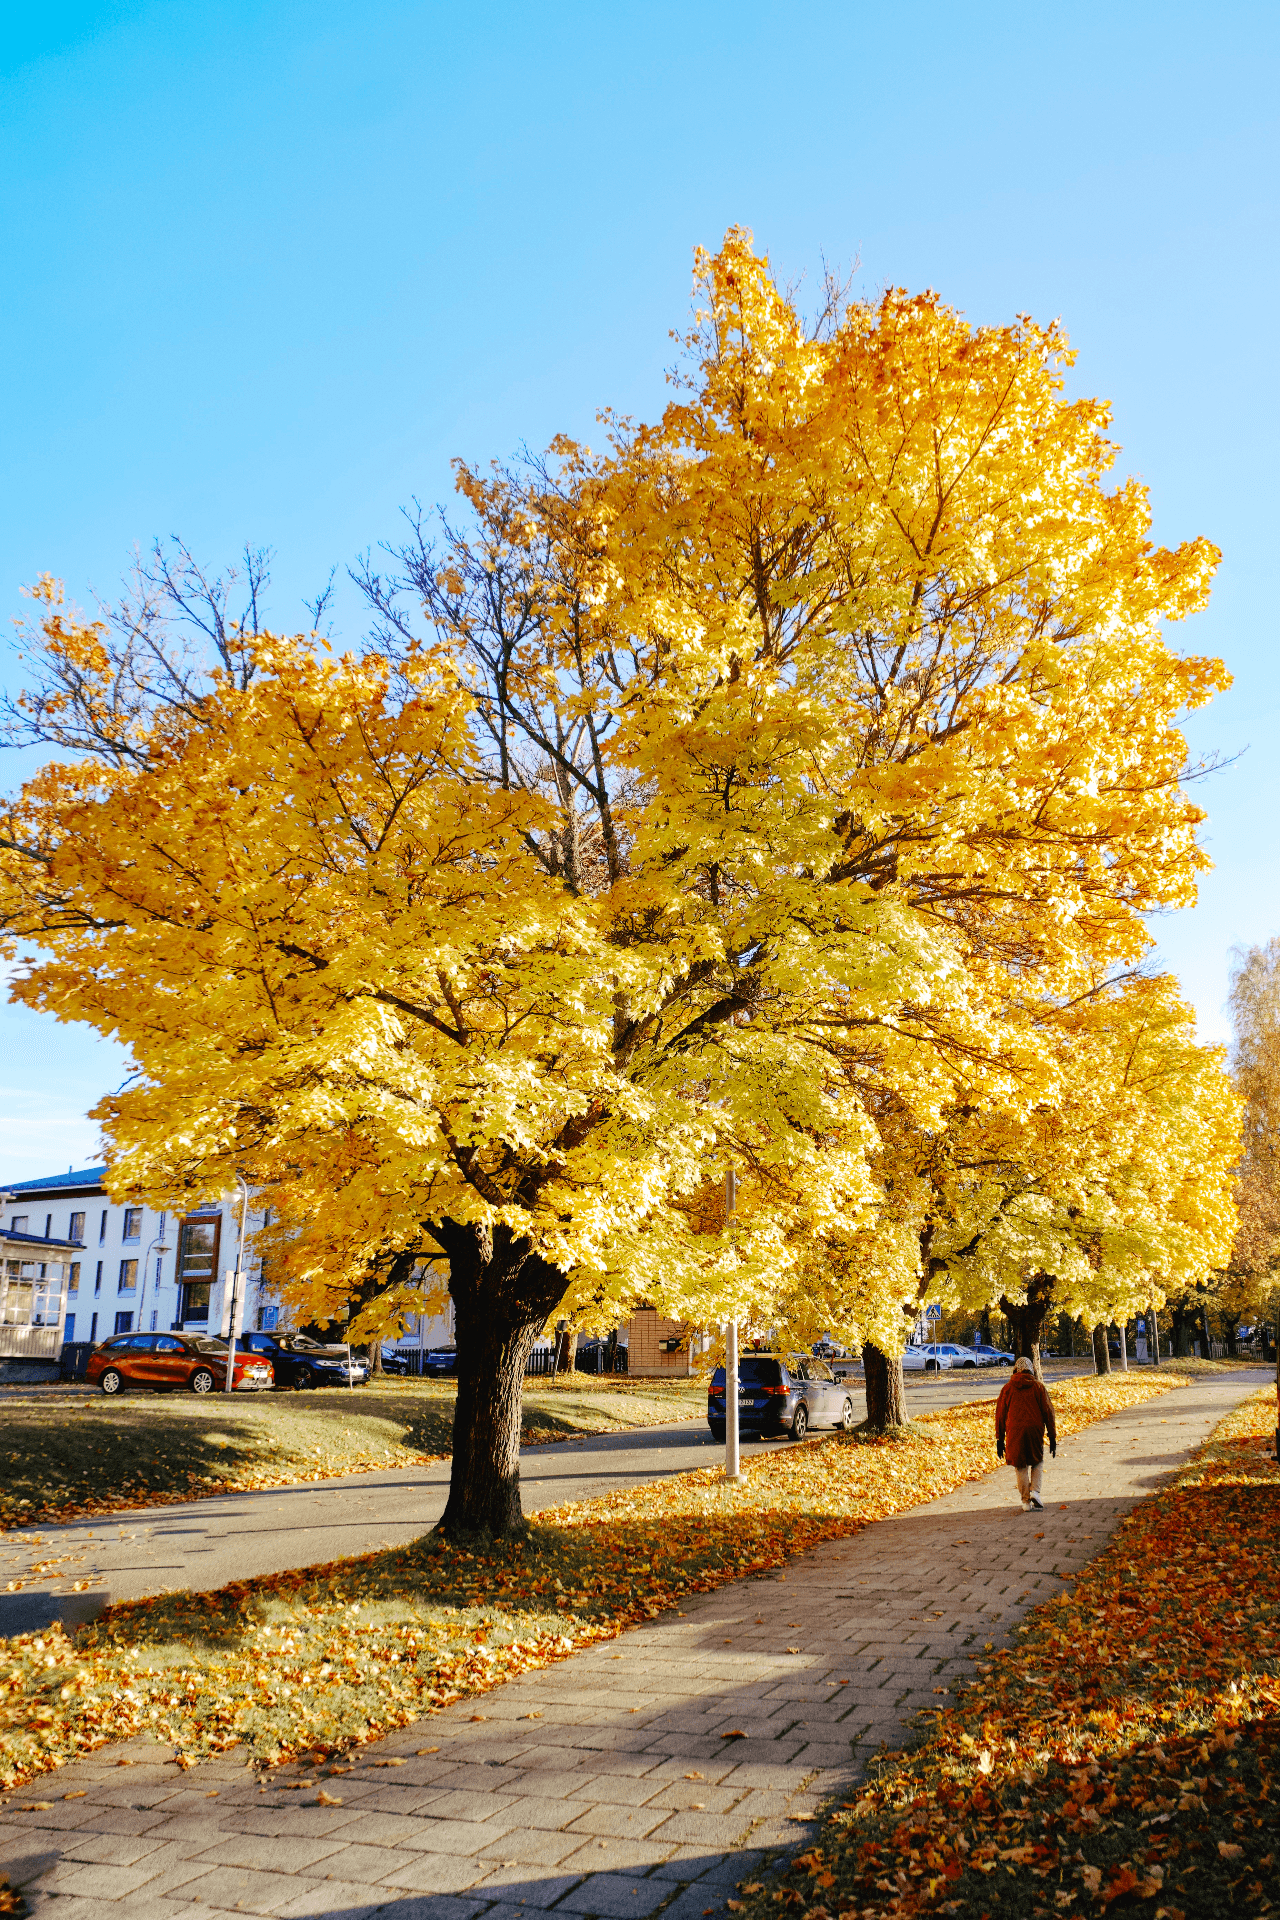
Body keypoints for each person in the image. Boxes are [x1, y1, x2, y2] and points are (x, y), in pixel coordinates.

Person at [995, 1356, 1057, 1511]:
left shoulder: (1007, 1388)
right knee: (1037, 1460)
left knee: (1020, 1465)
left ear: (1015, 1369)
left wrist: (1000, 1439)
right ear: (1032, 1370)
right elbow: (1048, 1412)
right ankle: (1035, 1491)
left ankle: (1025, 1502)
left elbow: (1000, 1415)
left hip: (1014, 1430)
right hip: (1034, 1429)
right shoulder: (1038, 1387)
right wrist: (1052, 1436)